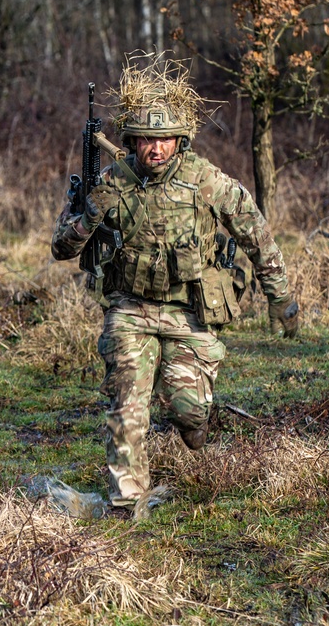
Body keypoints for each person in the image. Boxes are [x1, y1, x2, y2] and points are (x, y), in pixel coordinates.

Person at [51, 55, 299, 507]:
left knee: (190, 417)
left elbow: (255, 233)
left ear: (180, 139)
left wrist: (280, 298)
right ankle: (128, 507)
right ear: (131, 140)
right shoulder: (112, 182)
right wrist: (90, 209)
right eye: (147, 139)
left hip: (190, 312)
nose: (156, 149)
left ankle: (193, 418)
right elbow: (62, 248)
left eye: (165, 138)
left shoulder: (205, 181)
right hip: (129, 309)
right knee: (127, 408)